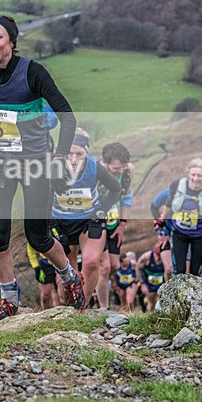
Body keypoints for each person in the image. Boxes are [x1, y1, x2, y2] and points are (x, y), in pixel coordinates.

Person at [0, 14, 86, 321]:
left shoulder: (33, 73)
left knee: (37, 236)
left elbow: (68, 117)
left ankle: (68, 277)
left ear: (12, 42)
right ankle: (9, 298)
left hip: (36, 164)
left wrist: (59, 157)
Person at [51, 128, 122, 308]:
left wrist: (101, 211)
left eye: (79, 154)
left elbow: (116, 189)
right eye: (69, 154)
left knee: (91, 264)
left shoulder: (94, 166)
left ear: (87, 152)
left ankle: (82, 305)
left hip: (89, 220)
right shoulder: (53, 167)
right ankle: (67, 307)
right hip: (60, 223)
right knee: (67, 271)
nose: (74, 159)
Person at [157, 158, 202, 277]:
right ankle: (177, 295)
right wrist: (162, 221)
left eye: (200, 176)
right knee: (179, 271)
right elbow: (168, 204)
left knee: (195, 272)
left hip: (200, 235)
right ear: (188, 173)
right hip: (179, 233)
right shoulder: (177, 185)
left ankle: (194, 295)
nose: (196, 179)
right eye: (193, 175)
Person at [96, 142, 134, 309]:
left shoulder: (127, 171)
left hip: (114, 223)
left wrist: (122, 224)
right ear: (105, 163)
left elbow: (126, 198)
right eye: (115, 168)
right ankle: (103, 308)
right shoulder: (96, 170)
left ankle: (91, 285)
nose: (120, 170)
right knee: (104, 268)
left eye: (122, 167)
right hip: (96, 222)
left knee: (114, 266)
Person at [137, 236, 168, 311]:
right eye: (156, 256)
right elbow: (137, 268)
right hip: (149, 283)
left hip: (161, 282)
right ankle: (149, 317)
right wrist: (141, 283)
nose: (158, 259)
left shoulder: (166, 259)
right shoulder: (146, 257)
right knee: (151, 302)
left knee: (159, 303)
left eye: (160, 257)